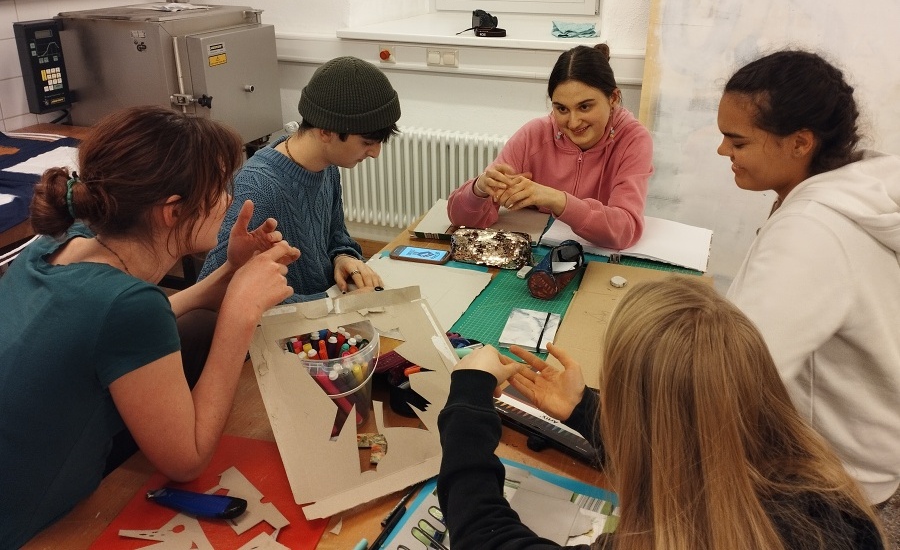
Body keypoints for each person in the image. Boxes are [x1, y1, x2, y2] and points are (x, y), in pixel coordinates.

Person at [0, 106, 300, 548]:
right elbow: (187, 461)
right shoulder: (126, 307)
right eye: (219, 189)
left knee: (197, 327)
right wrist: (240, 314)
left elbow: (117, 330)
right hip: (23, 529)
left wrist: (231, 271)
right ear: (172, 212)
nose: (228, 201)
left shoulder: (57, 244)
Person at [437, 277, 887, 549]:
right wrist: (584, 410)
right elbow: (685, 447)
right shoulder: (830, 507)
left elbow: (484, 536)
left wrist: (467, 401)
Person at [717, 50, 900, 505]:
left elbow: (735, 377)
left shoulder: (811, 232)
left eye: (737, 142)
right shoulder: (850, 189)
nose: (723, 152)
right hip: (862, 460)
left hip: (829, 483)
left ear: (800, 143)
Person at [198, 56, 401, 302]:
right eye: (367, 142)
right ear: (326, 132)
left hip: (324, 306)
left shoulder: (326, 167)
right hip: (292, 319)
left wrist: (343, 257)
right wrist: (332, 305)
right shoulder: (257, 188)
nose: (376, 153)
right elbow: (216, 294)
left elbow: (336, 236)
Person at [446, 44, 653, 250]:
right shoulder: (534, 135)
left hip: (601, 258)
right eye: (561, 109)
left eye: (584, 106)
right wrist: (479, 189)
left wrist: (556, 199)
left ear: (613, 98)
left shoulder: (634, 140)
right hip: (539, 250)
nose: (573, 122)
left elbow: (625, 229)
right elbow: (460, 221)